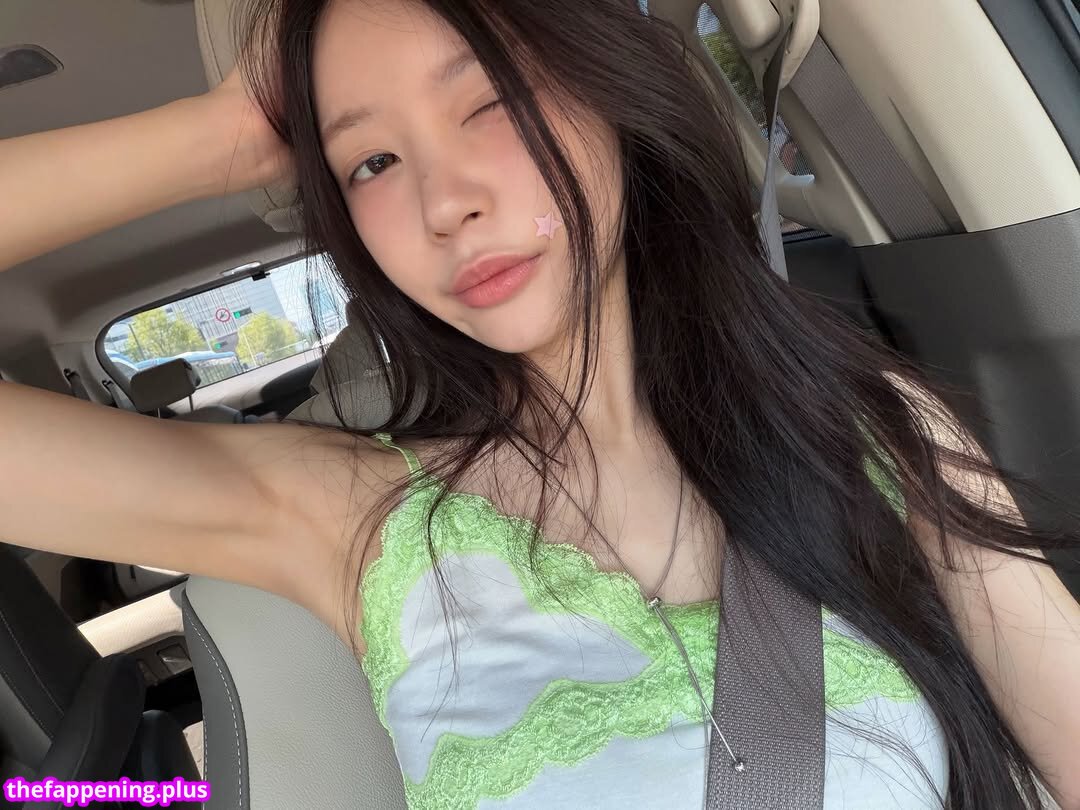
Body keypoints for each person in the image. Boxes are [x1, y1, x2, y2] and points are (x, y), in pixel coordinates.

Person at [1, 1, 1078, 808]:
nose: (445, 201)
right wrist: (221, 135)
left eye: (492, 102)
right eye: (371, 160)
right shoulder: (351, 518)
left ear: (610, 90)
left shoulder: (872, 428)